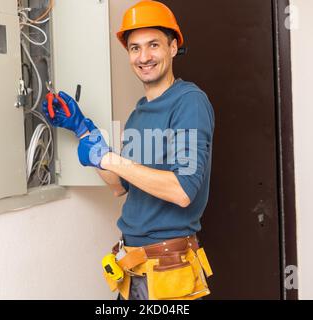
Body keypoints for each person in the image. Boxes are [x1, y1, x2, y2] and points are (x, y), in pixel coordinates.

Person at [42, 0, 215, 300]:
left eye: (153, 45)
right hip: (135, 269)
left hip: (167, 272)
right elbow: (120, 185)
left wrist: (109, 157)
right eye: (135, 48)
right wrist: (84, 132)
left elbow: (182, 190)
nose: (144, 57)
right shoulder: (139, 114)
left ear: (173, 47)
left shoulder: (189, 102)